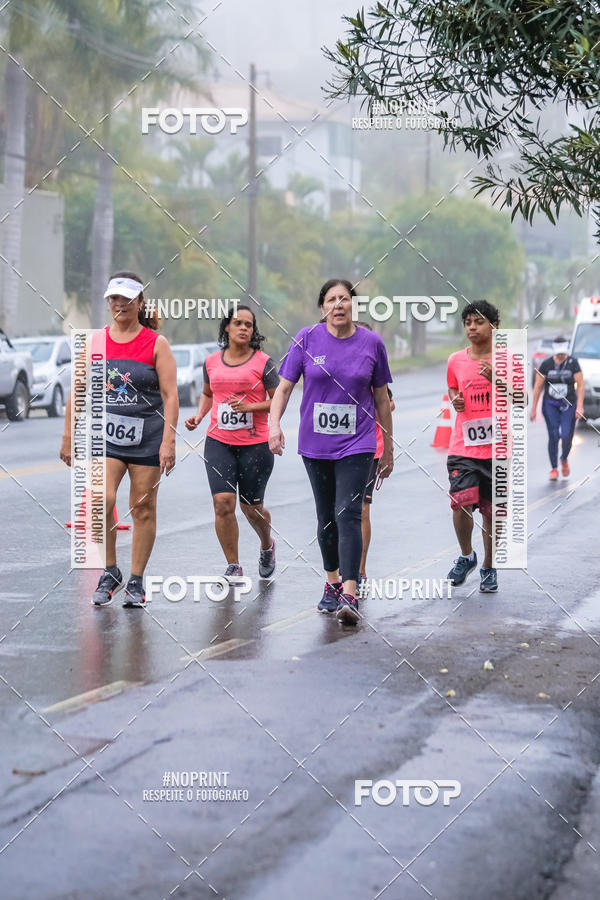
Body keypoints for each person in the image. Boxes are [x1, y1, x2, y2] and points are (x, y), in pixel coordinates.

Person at [269, 279, 394, 625]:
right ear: (322, 307)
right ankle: (332, 583)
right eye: (331, 300)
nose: (338, 304)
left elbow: (382, 399)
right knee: (326, 515)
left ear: (353, 305)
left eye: (344, 299)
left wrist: (389, 449)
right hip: (316, 445)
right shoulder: (307, 339)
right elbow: (283, 389)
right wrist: (274, 426)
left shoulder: (372, 343)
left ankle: (350, 592)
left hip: (358, 443)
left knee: (348, 514)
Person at [60, 271, 178, 607]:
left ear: (140, 302)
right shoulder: (96, 342)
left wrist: (168, 441)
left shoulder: (156, 343)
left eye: (127, 298)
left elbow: (171, 396)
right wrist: (68, 434)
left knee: (142, 509)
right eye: (114, 298)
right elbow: (79, 388)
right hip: (107, 439)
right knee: (100, 500)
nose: (119, 304)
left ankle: (137, 580)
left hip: (147, 438)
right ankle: (110, 571)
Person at [185, 305, 279, 579]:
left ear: (253, 331)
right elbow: (207, 393)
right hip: (219, 442)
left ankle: (266, 545)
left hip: (256, 446)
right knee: (223, 503)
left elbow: (278, 400)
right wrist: (200, 416)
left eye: (248, 325)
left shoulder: (263, 362)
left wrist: (250, 408)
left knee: (251, 508)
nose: (243, 328)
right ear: (227, 326)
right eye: (238, 323)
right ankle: (233, 565)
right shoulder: (211, 361)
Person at [446, 299, 504, 593]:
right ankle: (467, 555)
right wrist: (455, 399)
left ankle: (489, 567)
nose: (472, 327)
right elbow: (453, 387)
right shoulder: (455, 360)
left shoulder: (507, 360)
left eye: (478, 322)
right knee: (461, 502)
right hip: (463, 447)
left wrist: (498, 381)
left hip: (498, 450)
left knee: (492, 513)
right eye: (467, 322)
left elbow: (523, 401)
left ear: (494, 326)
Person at [529, 336, 583, 480]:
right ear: (554, 351)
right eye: (558, 353)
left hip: (568, 405)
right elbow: (538, 386)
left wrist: (580, 406)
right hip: (551, 405)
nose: (561, 356)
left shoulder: (573, 363)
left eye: (563, 353)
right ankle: (553, 468)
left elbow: (581, 384)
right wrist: (533, 408)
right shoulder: (546, 364)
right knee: (553, 435)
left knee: (566, 435)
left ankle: (564, 458)